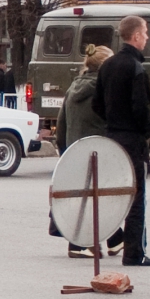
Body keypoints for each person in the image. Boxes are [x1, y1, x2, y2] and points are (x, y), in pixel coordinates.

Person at [92, 15, 150, 266]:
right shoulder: (136, 68)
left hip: (112, 138)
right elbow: (141, 107)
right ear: (136, 36)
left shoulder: (107, 66)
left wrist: (112, 120)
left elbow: (96, 103)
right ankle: (134, 253)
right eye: (145, 33)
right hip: (132, 140)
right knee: (137, 196)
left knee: (115, 193)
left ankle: (112, 238)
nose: (147, 37)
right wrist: (144, 131)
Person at [55, 45, 111, 257]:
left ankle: (114, 239)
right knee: (96, 197)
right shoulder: (102, 89)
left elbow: (61, 124)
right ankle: (81, 244)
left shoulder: (74, 86)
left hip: (74, 149)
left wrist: (64, 149)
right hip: (97, 150)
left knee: (84, 196)